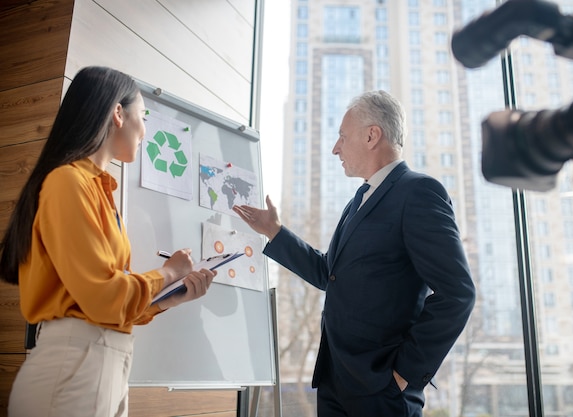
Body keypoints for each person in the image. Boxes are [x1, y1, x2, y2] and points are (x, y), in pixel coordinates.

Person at [233, 90, 476, 417]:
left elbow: (458, 293)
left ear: (372, 135)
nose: (336, 148)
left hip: (381, 389)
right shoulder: (357, 202)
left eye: (342, 137)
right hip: (336, 381)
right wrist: (274, 232)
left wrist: (403, 374)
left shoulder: (419, 193)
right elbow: (329, 273)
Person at [0, 66, 216, 417]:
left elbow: (105, 305)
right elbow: (104, 298)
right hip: (73, 372)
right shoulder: (68, 183)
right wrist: (168, 273)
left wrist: (170, 298)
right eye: (142, 116)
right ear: (118, 114)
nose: (145, 130)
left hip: (100, 367)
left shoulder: (96, 189)